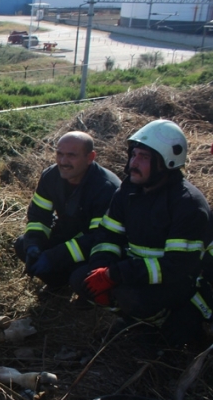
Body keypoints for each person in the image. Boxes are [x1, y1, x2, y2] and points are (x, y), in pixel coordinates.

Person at [69, 120, 211, 346]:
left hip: (176, 283)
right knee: (81, 280)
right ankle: (133, 319)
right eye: (133, 154)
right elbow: (107, 237)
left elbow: (176, 267)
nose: (134, 163)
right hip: (136, 272)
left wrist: (114, 275)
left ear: (166, 162)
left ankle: (163, 324)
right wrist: (100, 268)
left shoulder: (188, 204)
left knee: (130, 296)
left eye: (144, 157)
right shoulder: (128, 191)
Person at [14, 131, 120, 289]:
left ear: (90, 157)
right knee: (22, 243)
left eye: (72, 155)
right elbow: (38, 216)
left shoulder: (106, 188)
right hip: (68, 237)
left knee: (81, 276)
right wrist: (33, 245)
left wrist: (54, 257)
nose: (63, 161)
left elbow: (98, 238)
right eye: (59, 154)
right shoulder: (50, 177)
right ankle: (58, 286)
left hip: (97, 250)